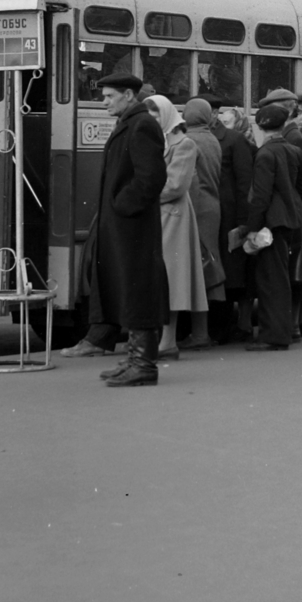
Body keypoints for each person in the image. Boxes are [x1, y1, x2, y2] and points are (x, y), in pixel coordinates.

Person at [89, 69, 170, 387]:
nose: (104, 102)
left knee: (138, 290)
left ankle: (143, 364)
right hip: (126, 225)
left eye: (109, 96)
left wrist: (123, 205)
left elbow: (151, 177)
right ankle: (136, 358)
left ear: (127, 94)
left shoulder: (142, 124)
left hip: (133, 226)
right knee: (130, 289)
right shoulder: (132, 122)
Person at [239, 101, 302, 350]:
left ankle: (274, 336)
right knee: (282, 277)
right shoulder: (294, 150)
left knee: (271, 280)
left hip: (270, 223)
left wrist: (253, 227)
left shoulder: (265, 154)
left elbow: (261, 196)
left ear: (260, 126)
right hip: (291, 220)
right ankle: (283, 330)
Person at [147, 96, 208, 360]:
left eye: (156, 113)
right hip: (158, 218)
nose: (151, 119)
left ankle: (167, 341)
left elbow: (175, 186)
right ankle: (159, 340)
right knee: (159, 282)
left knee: (171, 282)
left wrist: (142, 195)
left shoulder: (185, 144)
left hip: (173, 219)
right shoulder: (156, 142)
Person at [180, 99, 226, 344]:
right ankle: (201, 331)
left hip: (196, 208)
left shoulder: (190, 141)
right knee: (207, 264)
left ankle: (199, 333)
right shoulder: (212, 139)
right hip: (212, 207)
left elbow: (192, 182)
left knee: (196, 270)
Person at [213, 105, 256, 342]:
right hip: (231, 217)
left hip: (238, 219)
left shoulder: (240, 144)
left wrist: (243, 221)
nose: (222, 126)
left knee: (241, 273)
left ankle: (242, 322)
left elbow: (244, 185)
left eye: (227, 122)